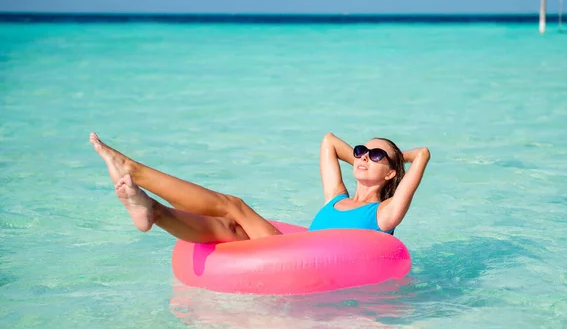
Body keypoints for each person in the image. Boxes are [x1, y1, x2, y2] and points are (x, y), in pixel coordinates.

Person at [90, 132, 429, 244]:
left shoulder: (385, 213)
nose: (362, 158)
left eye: (375, 155)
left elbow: (423, 155)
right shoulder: (335, 199)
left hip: (307, 263)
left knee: (234, 205)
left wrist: (403, 157)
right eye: (358, 151)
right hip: (295, 255)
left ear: (392, 173)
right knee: (229, 227)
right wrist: (374, 157)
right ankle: (153, 210)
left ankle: (134, 169)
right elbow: (328, 141)